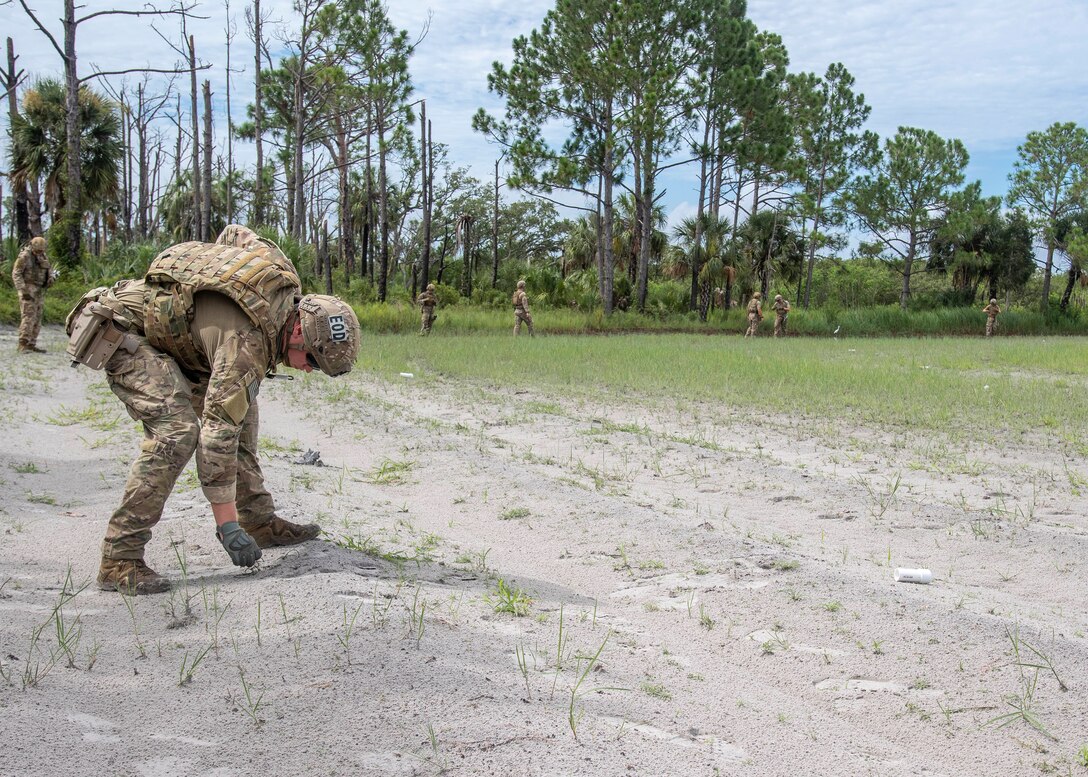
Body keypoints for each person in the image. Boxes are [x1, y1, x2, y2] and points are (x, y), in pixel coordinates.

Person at [65, 225, 361, 595]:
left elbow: (235, 234)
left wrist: (206, 291)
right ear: (301, 332)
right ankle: (119, 558)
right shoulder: (247, 344)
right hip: (121, 329)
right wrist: (226, 526)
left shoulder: (280, 275)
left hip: (180, 341)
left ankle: (259, 521)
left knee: (244, 413)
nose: (305, 369)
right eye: (313, 362)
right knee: (177, 431)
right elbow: (216, 437)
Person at [12, 236, 53, 353]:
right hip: (28, 290)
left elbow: (48, 270)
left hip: (39, 290)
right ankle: (23, 344)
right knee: (28, 317)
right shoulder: (24, 256)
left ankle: (31, 343)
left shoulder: (43, 256)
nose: (39, 252)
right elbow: (16, 273)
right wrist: (22, 289)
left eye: (42, 250)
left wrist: (50, 279)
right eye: (38, 250)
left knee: (37, 318)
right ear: (32, 246)